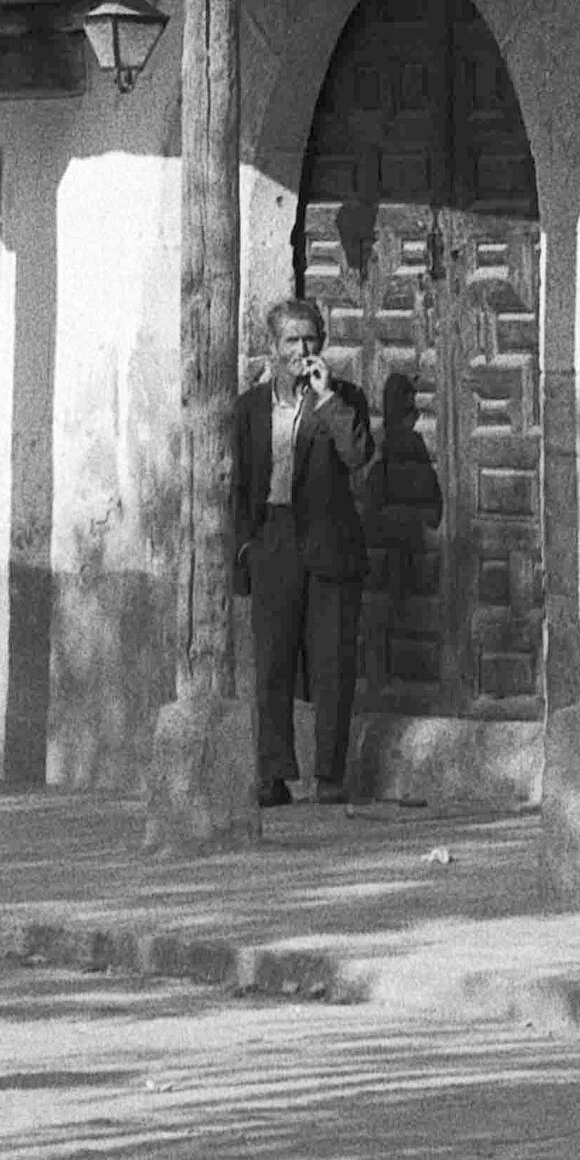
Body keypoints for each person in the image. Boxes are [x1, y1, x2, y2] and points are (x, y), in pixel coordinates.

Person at [229, 292, 375, 801]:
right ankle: (274, 775)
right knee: (272, 662)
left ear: (323, 343)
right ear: (273, 347)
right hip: (272, 539)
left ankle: (330, 777)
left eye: (310, 338)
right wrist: (245, 548)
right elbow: (238, 484)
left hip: (329, 542)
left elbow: (356, 456)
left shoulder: (344, 398)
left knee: (333, 661)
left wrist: (328, 397)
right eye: (291, 339)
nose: (302, 348)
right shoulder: (249, 408)